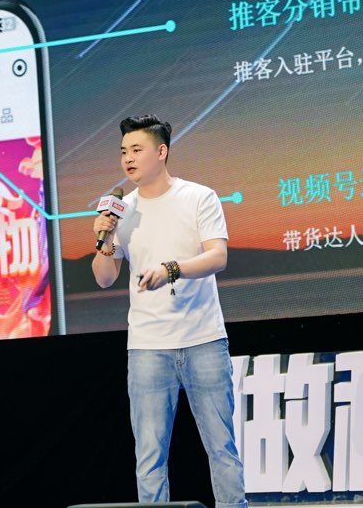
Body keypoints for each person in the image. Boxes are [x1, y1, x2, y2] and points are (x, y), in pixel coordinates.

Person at [91, 115, 248, 508]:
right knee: (149, 456)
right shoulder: (122, 211)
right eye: (123, 152)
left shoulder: (198, 197)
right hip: (147, 346)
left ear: (161, 152)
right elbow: (105, 278)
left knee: (221, 447)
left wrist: (171, 269)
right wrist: (105, 239)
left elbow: (218, 256)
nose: (128, 158)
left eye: (137, 149)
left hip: (203, 339)